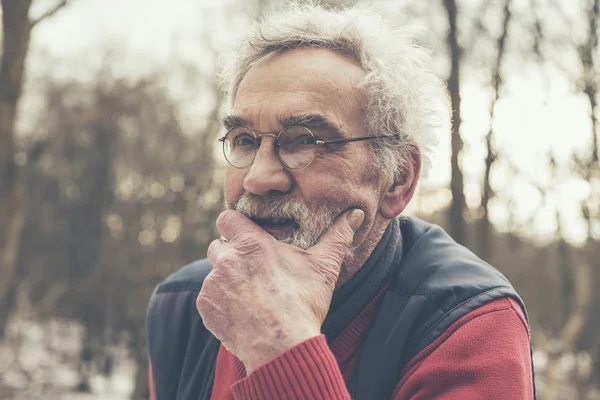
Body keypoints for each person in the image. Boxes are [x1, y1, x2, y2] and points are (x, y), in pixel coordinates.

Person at [146, 3, 535, 400]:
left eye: (304, 140)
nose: (259, 178)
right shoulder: (184, 306)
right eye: (244, 140)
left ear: (397, 179)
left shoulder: (468, 325)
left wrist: (278, 346)